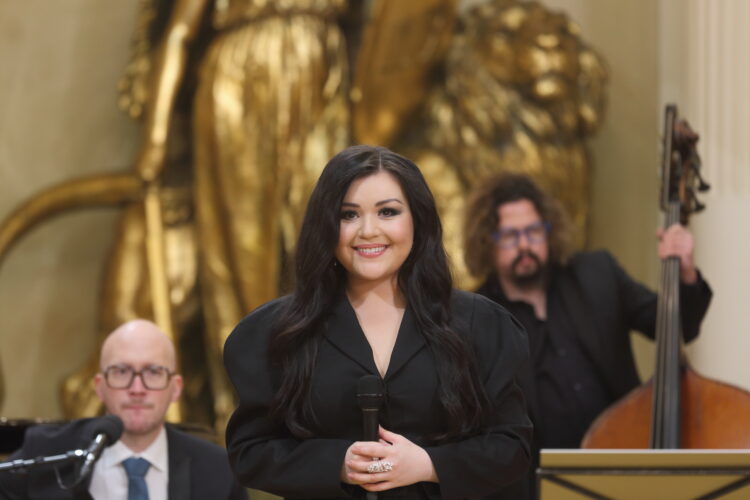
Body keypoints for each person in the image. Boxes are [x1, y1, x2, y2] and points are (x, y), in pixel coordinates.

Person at [223, 145, 532, 499]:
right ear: (326, 224)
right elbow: (249, 453)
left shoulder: (482, 324)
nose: (368, 231)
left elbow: (512, 447)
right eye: (348, 215)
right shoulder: (274, 332)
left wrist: (428, 465)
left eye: (387, 212)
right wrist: (339, 463)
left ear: (418, 219)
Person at [463, 173, 713, 495]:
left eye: (534, 231)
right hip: (535, 488)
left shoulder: (598, 274)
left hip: (624, 467)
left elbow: (675, 325)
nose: (525, 245)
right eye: (510, 236)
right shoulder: (475, 316)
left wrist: (686, 272)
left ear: (549, 230)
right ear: (487, 241)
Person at [0, 320, 247, 500]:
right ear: (99, 386)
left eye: (153, 372)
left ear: (175, 388)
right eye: (121, 372)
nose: (137, 388)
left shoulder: (218, 470)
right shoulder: (46, 453)